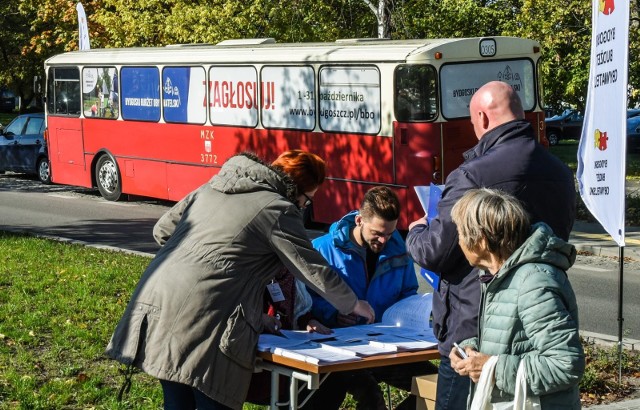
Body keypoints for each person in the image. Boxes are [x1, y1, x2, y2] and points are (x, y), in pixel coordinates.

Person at [105, 150, 375, 410]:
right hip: (207, 315)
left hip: (159, 300)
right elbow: (311, 266)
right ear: (295, 189)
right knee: (213, 398)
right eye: (307, 199)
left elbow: (163, 230)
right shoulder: (278, 209)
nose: (305, 206)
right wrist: (352, 304)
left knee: (177, 401)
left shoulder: (211, 188)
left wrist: (197, 261)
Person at [406, 81, 576, 410]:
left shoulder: (471, 175)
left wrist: (417, 232)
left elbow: (436, 250)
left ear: (483, 118)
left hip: (474, 321)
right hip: (526, 324)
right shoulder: (559, 171)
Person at [449, 188, 584, 408]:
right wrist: (471, 350)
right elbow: (514, 339)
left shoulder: (533, 282)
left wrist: (492, 368)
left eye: (461, 233)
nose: (459, 241)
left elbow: (565, 364)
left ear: (481, 241)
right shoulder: (501, 275)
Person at [307, 186, 436, 410]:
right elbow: (304, 300)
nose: (384, 240)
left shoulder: (399, 250)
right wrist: (333, 314)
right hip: (342, 351)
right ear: (359, 220)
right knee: (370, 396)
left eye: (389, 233)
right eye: (377, 233)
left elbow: (408, 293)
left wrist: (413, 314)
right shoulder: (322, 249)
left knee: (439, 386)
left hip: (389, 347)